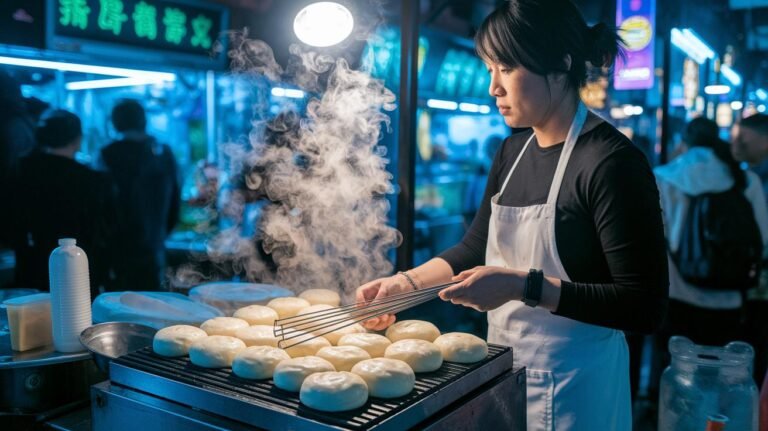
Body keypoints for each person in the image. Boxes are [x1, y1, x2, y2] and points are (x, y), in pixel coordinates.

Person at [356, 1, 668, 429]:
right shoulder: (512, 151)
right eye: (489, 69)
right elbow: (475, 246)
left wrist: (524, 286)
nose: (494, 88)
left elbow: (644, 307)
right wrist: (405, 285)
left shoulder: (611, 163)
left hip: (578, 391)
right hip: (501, 378)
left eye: (506, 68)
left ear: (561, 63)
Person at [655, 117, 768, 344]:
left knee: (675, 362)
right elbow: (762, 238)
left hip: (676, 294)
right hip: (729, 297)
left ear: (684, 143)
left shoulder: (663, 177)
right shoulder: (745, 180)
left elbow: (654, 237)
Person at [9, 110, 114, 296]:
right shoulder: (91, 180)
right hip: (78, 272)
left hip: (30, 267)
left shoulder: (20, 171)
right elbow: (102, 231)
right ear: (77, 140)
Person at [100, 100, 180, 291]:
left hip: (118, 248)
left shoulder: (107, 154)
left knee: (119, 301)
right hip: (154, 245)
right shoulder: (163, 152)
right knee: (153, 299)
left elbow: (102, 206)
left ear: (115, 122)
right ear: (143, 120)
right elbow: (175, 200)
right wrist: (161, 233)